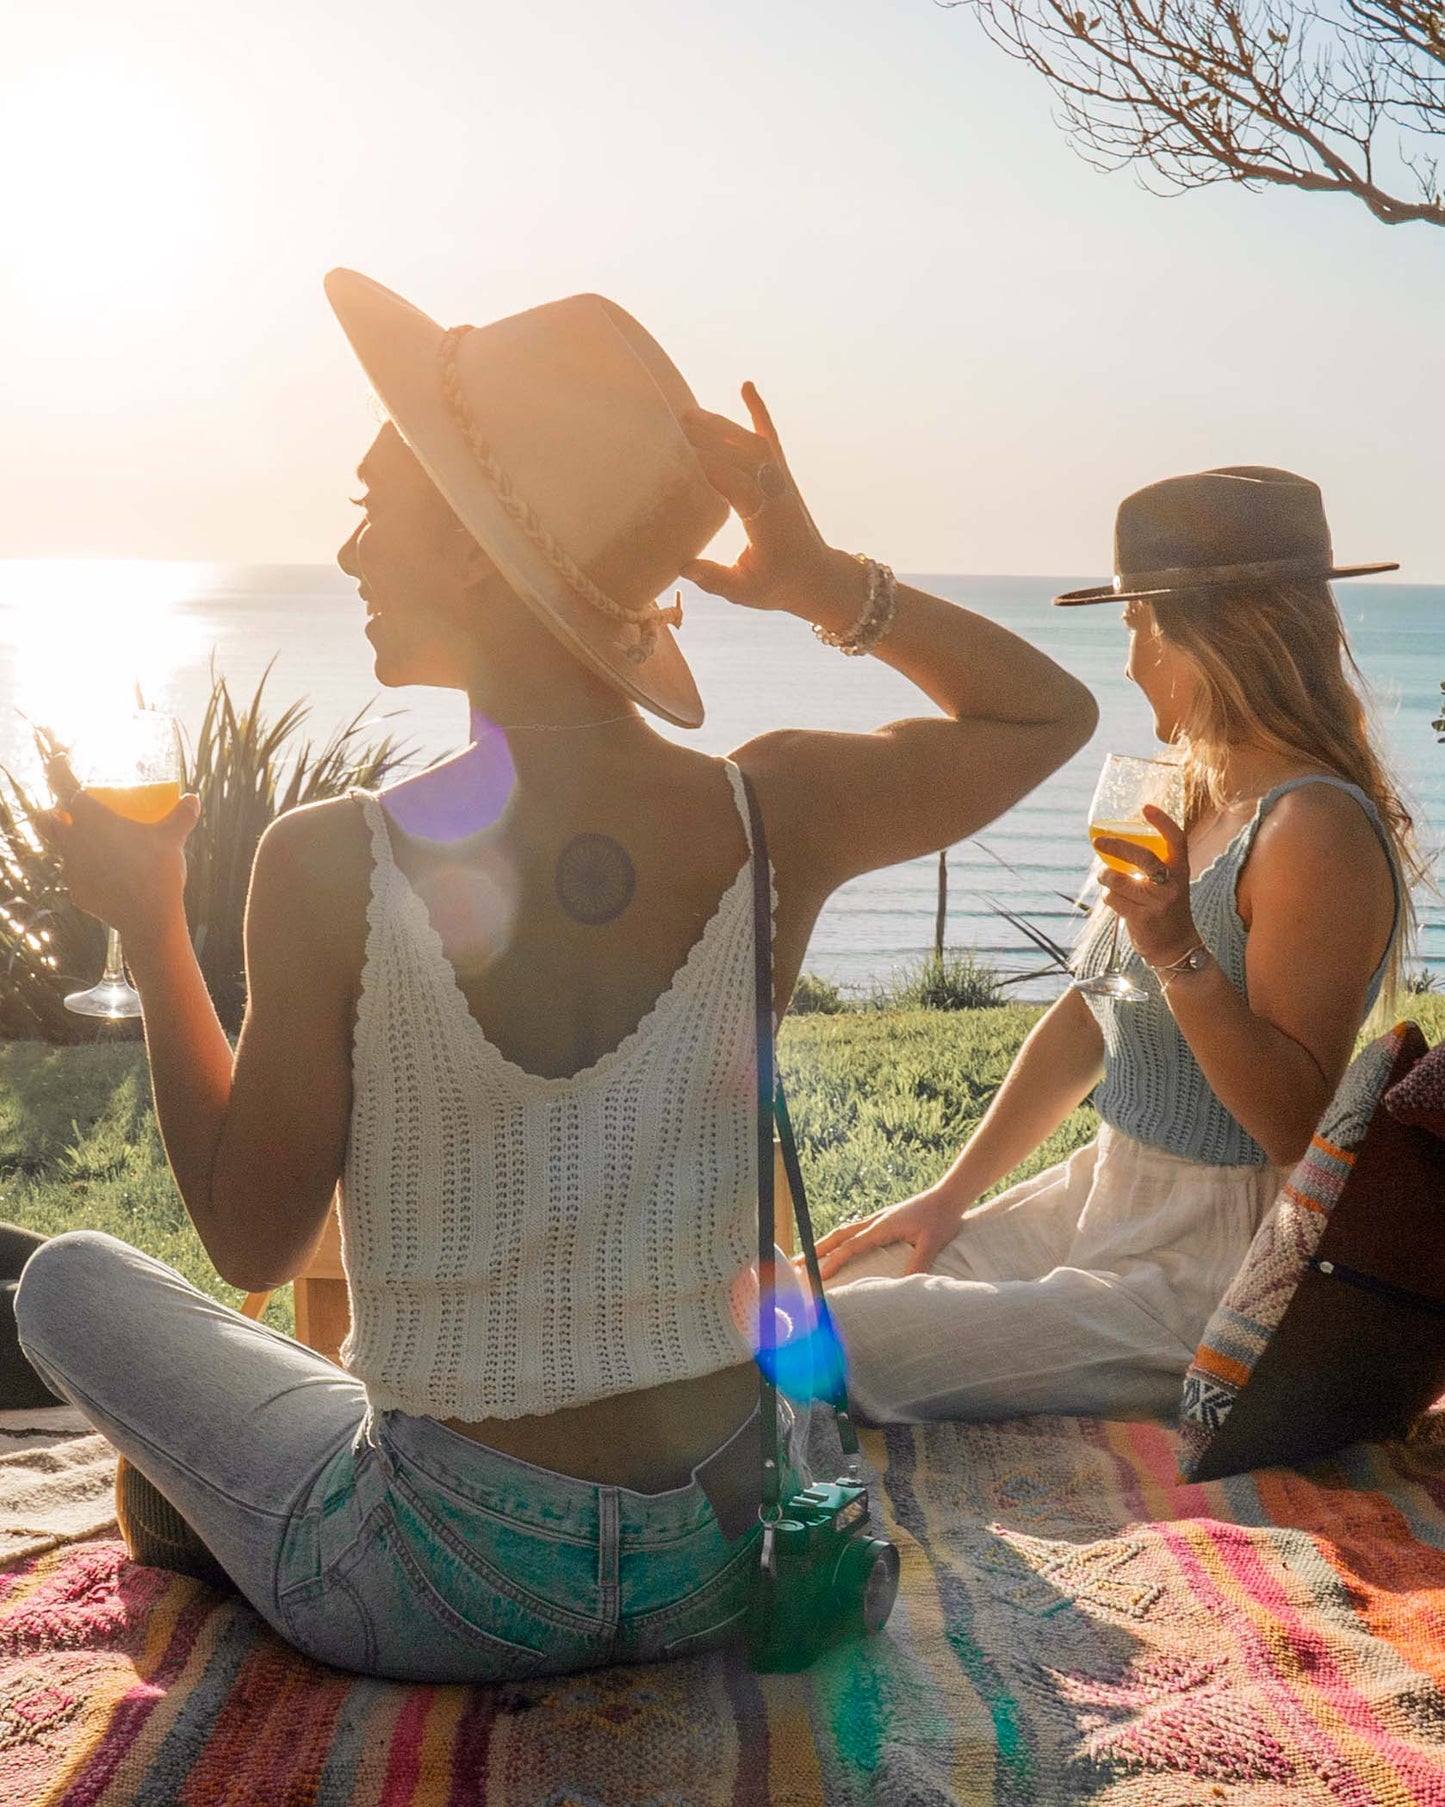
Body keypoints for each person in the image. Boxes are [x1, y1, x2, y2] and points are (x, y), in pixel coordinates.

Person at [14, 271, 1096, 1683]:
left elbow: (250, 1242)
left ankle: (219, 1503)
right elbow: (1046, 711)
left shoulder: (333, 857)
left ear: (474, 549)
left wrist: (153, 925)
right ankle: (217, 1489)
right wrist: (826, 582)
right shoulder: (778, 811)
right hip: (728, 1561)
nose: (345, 552)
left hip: (441, 1584)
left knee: (72, 1283)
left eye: (370, 505)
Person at [816, 467, 1416, 1425]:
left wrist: (1178, 947)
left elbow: (1297, 1126)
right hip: (1102, 1191)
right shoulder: (1181, 788)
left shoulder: (1312, 829)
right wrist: (946, 1195)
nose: (1130, 658)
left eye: (1136, 625)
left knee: (829, 1350)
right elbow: (1086, 1015)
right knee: (814, 1300)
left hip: (1212, 1259)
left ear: (1207, 633)